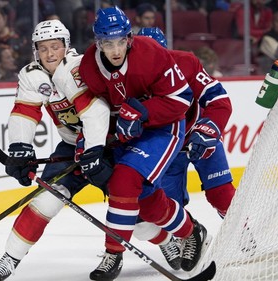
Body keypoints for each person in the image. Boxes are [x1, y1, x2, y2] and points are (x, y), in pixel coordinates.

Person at [78, 6, 210, 280]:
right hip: (128, 132)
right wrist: (88, 144)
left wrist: (143, 111)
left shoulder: (150, 53)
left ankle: (113, 254)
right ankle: (190, 231)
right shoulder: (89, 67)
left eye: (120, 41)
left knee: (124, 179)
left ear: (129, 38)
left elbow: (181, 100)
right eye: (107, 43)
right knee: (145, 199)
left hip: (164, 127)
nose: (115, 50)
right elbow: (97, 111)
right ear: (97, 43)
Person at [0, 19, 111, 281]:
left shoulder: (79, 68)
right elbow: (25, 112)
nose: (50, 54)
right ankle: (10, 257)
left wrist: (93, 147)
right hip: (70, 146)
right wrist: (20, 149)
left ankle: (164, 241)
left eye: (55, 46)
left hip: (108, 145)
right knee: (44, 201)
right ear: (35, 51)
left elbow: (96, 112)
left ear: (66, 46)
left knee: (130, 202)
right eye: (43, 49)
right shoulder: (32, 75)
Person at [134, 27, 235, 270]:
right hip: (167, 147)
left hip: (199, 137)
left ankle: (243, 233)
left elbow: (218, 99)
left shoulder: (186, 64)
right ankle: (177, 239)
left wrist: (208, 129)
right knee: (161, 210)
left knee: (223, 196)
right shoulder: (131, 77)